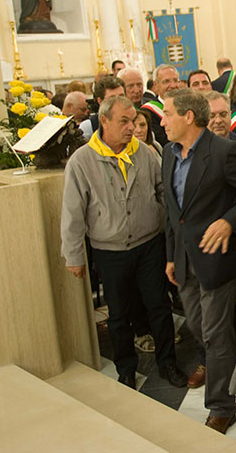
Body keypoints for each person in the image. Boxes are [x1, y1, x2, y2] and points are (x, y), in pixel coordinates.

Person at [61, 96, 186, 391]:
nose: (132, 128)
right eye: (124, 122)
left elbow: (163, 193)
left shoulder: (144, 153)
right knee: (118, 315)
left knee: (158, 306)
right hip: (110, 250)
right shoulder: (82, 160)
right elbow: (72, 212)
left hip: (148, 245)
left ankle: (167, 362)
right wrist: (74, 256)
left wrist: (165, 231)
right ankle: (126, 369)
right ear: (104, 121)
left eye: (133, 121)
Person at [161, 88, 236, 433]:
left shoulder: (224, 152)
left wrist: (227, 222)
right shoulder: (168, 153)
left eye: (167, 114)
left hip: (217, 258)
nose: (162, 121)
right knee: (199, 327)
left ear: (188, 117)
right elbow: (173, 212)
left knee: (216, 333)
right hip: (184, 258)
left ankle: (221, 405)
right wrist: (171, 256)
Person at [141, 64, 181, 146]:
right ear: (155, 85)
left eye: (175, 80)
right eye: (166, 81)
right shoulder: (148, 111)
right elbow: (162, 141)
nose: (173, 85)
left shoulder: (187, 106)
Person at [80, 75, 126, 141]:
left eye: (121, 96)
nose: (118, 101)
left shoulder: (136, 120)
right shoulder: (89, 126)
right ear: (100, 101)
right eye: (112, 98)